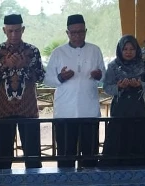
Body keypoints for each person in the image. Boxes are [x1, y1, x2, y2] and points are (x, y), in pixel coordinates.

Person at [44, 14, 106, 168]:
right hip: (65, 113)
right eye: (73, 32)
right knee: (66, 158)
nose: (77, 36)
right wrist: (60, 77)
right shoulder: (58, 53)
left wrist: (99, 76)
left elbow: (104, 77)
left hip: (89, 111)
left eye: (81, 32)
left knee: (90, 158)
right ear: (67, 33)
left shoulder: (95, 50)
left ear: (86, 31)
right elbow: (47, 80)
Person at [0, 14, 45, 169]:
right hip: (4, 111)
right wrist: (5, 65)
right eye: (10, 31)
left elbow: (41, 77)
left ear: (23, 29)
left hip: (28, 110)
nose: (14, 34)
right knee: (4, 156)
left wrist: (24, 65)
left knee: (32, 155)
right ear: (4, 30)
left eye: (17, 31)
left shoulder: (33, 51)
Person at [101, 35, 145, 167]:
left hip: (139, 109)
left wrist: (140, 85)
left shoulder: (143, 64)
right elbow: (106, 87)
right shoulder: (113, 66)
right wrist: (119, 86)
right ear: (120, 50)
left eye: (131, 49)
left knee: (142, 139)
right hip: (120, 110)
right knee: (118, 140)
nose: (128, 52)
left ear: (137, 50)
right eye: (125, 49)